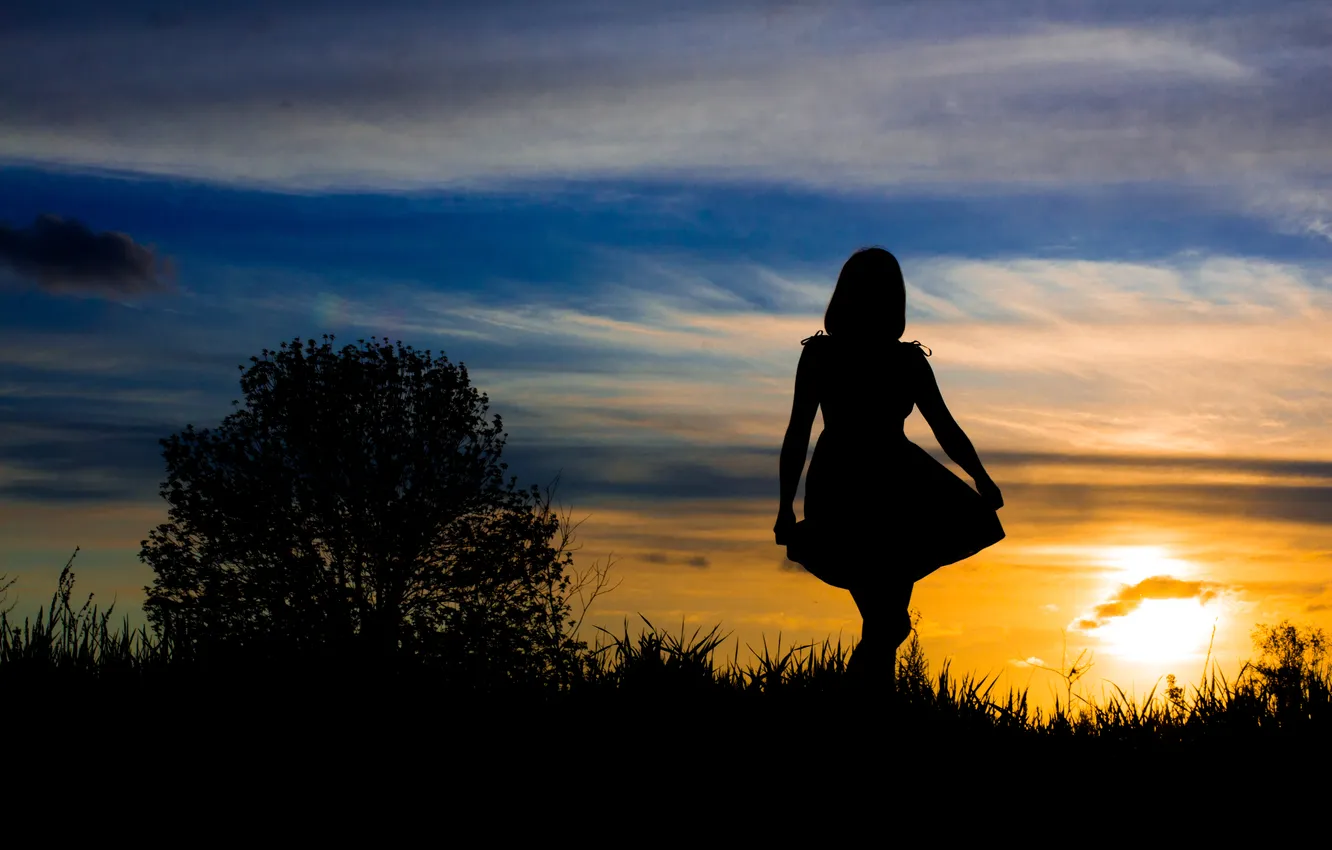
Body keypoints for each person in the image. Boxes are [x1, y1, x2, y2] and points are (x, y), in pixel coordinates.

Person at [774, 247, 1005, 688]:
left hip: (898, 488)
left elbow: (945, 428)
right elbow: (797, 431)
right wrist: (785, 505)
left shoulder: (906, 361)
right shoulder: (822, 356)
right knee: (888, 620)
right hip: (848, 485)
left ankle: (865, 701)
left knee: (888, 619)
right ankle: (864, 700)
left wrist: (981, 476)